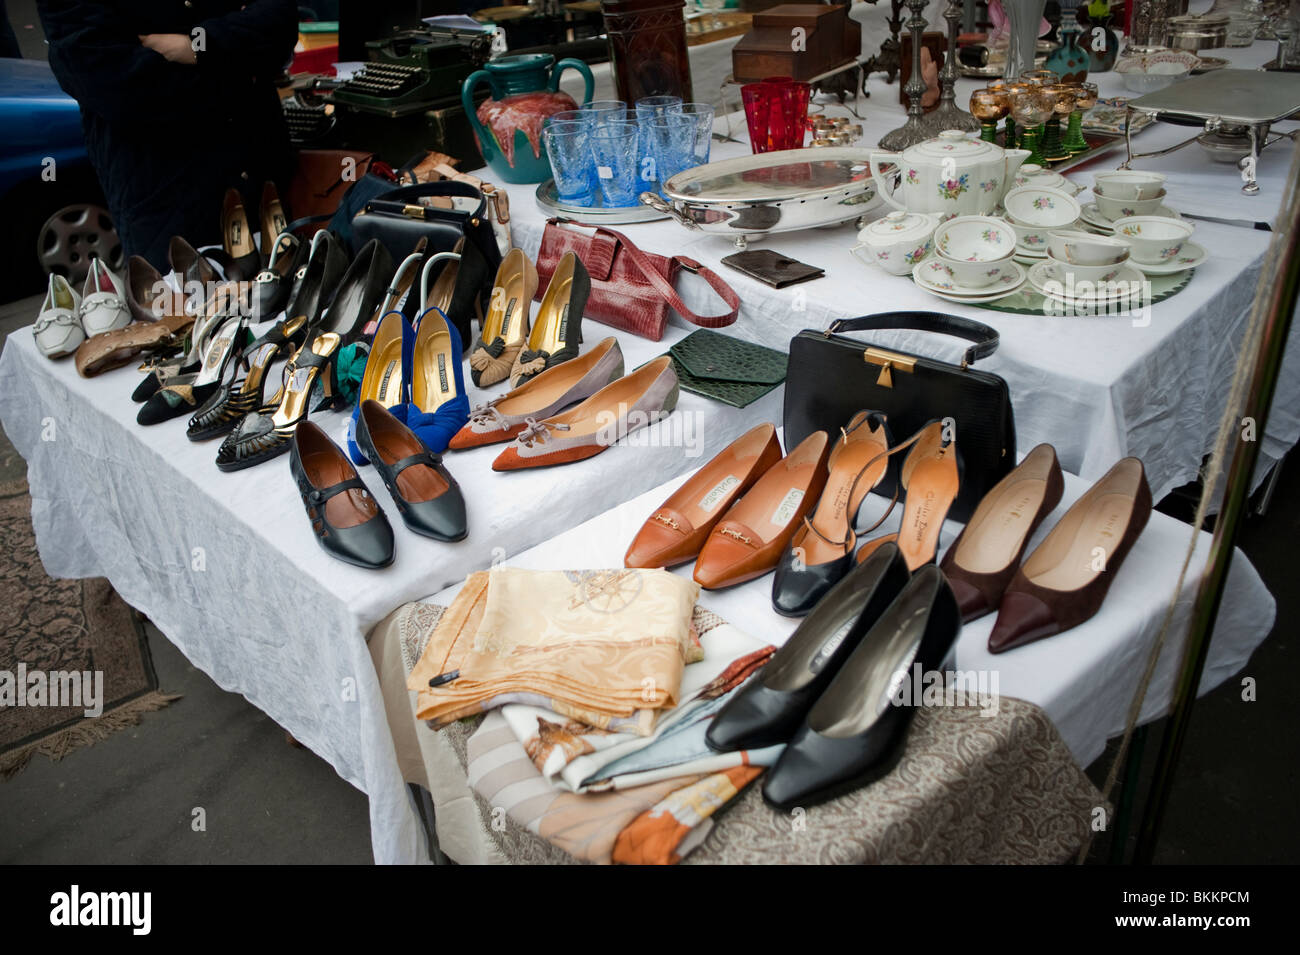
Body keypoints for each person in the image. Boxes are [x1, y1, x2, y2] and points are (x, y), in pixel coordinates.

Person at [36, 0, 299, 271]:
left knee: (300, 302)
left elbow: (279, 20)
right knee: (185, 309)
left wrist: (197, 46)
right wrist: (242, 72)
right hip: (170, 202)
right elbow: (115, 84)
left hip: (264, 179)